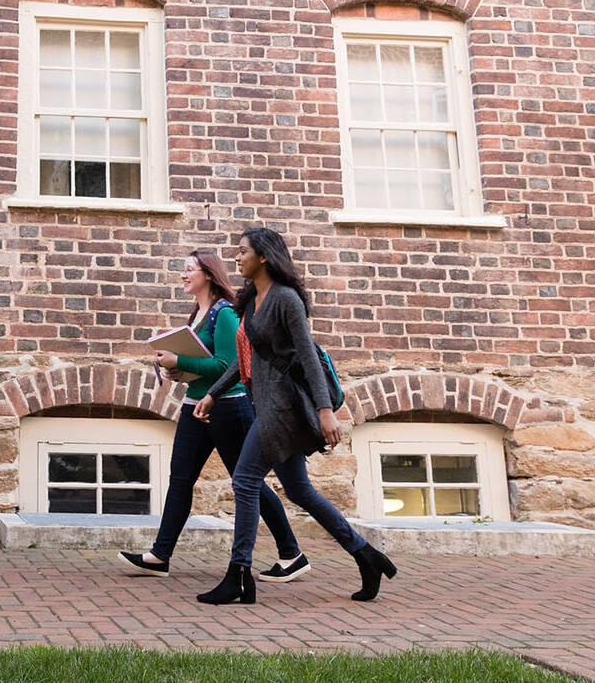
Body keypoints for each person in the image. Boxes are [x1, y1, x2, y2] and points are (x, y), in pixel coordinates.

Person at [195, 228, 398, 605]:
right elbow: (250, 361)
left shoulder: (286, 299)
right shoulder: (252, 299)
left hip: (283, 408)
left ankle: (239, 575)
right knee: (300, 490)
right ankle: (366, 555)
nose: (236, 258)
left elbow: (307, 355)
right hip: (264, 403)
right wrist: (212, 393)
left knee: (244, 479)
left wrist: (326, 413)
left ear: (265, 257)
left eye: (243, 252)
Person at [117, 250, 310, 582]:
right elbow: (201, 365)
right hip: (195, 405)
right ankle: (159, 556)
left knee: (247, 482)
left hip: (229, 408)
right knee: (180, 480)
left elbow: (226, 366)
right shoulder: (198, 314)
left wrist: (180, 362)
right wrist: (178, 371)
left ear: (208, 274)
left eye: (189, 269)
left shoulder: (225, 314)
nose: (183, 274)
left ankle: (291, 553)